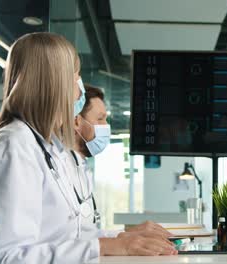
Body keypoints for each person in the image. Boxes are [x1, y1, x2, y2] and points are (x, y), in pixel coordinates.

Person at [0, 32, 177, 264]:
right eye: (75, 75)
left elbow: (72, 237)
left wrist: (124, 238)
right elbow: (2, 257)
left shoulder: (49, 149)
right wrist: (104, 246)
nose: (80, 89)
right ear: (54, 82)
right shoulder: (13, 148)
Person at [72, 84, 169, 238]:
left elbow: (87, 236)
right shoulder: (62, 169)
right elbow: (71, 241)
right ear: (77, 121)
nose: (106, 126)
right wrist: (123, 240)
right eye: (100, 119)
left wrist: (126, 235)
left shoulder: (80, 168)